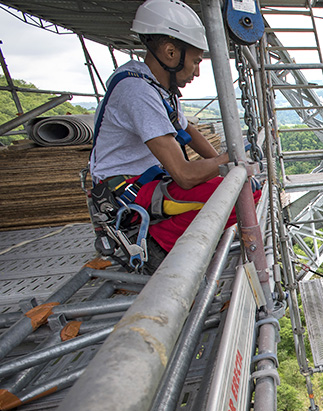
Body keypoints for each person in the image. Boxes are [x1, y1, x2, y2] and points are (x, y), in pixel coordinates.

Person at [89, 0, 259, 271]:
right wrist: (233, 159)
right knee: (245, 193)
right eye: (194, 61)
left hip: (142, 183)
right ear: (170, 52)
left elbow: (188, 132)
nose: (197, 70)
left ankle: (170, 236)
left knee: (242, 185)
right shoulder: (139, 93)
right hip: (128, 192)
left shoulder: (154, 85)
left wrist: (221, 164)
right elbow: (185, 174)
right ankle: (157, 245)